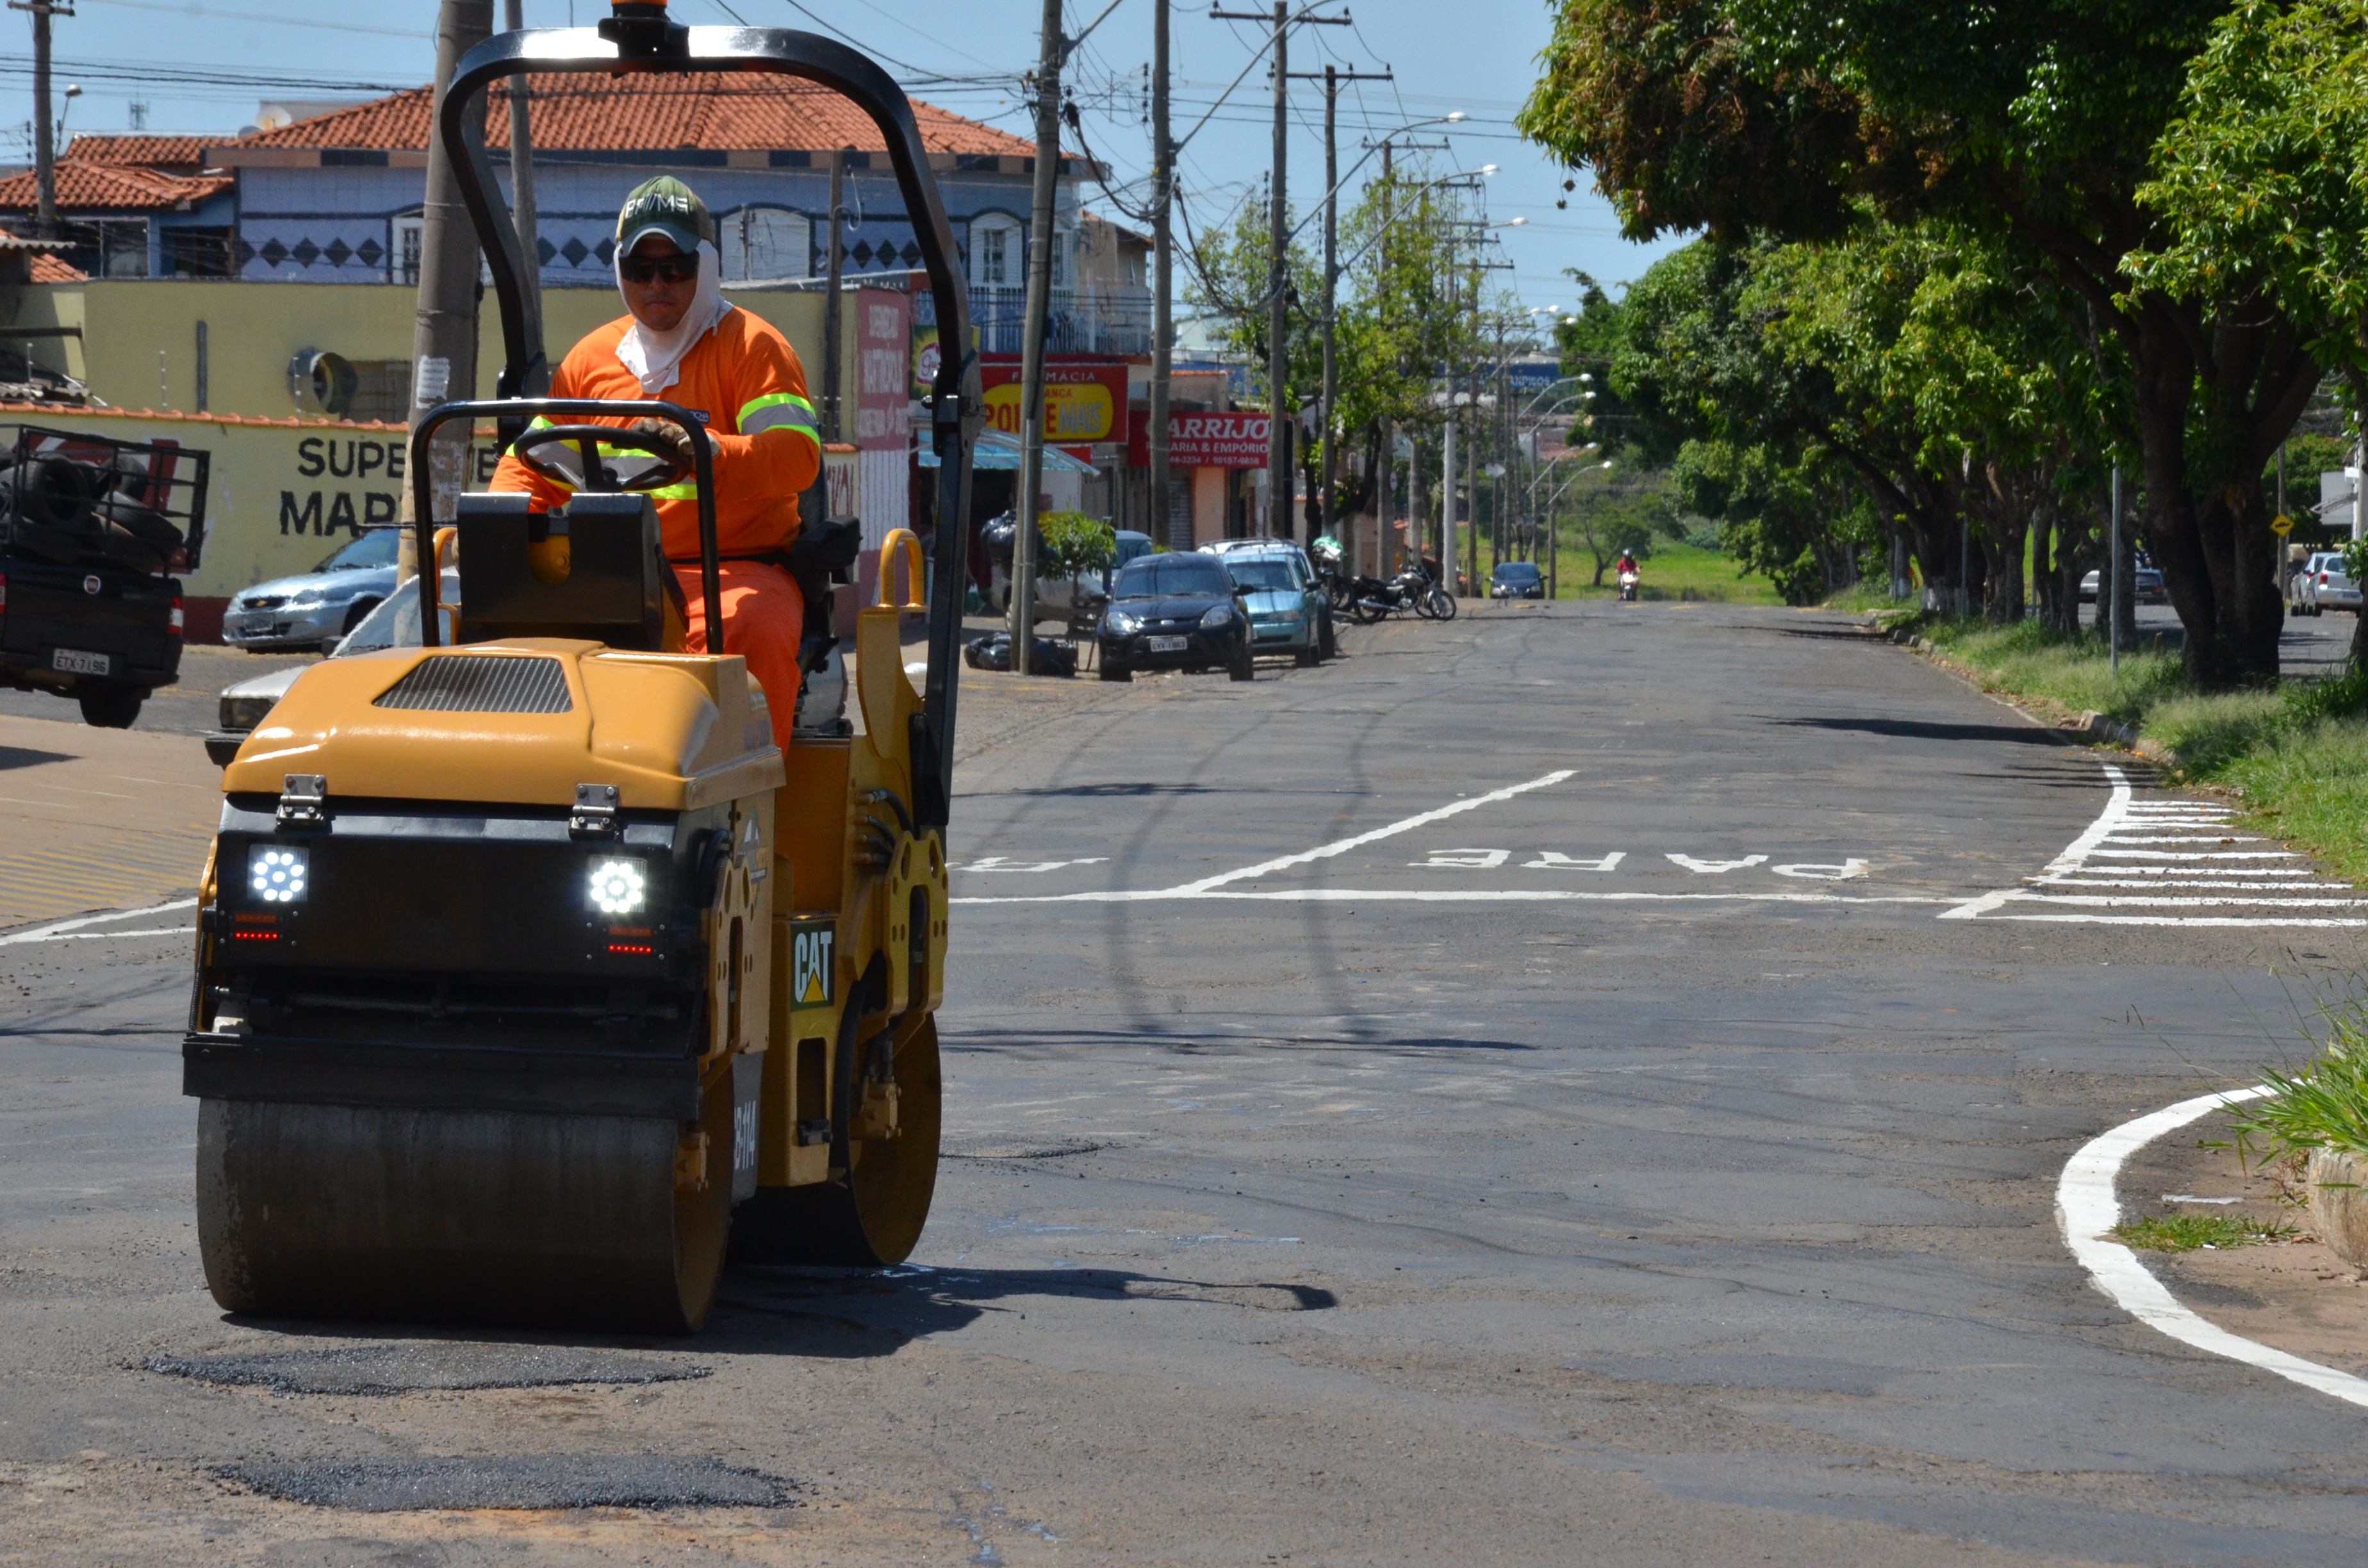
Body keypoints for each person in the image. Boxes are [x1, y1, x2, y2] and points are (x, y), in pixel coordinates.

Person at [491, 176, 821, 746]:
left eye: (675, 268)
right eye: (640, 269)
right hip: (610, 572)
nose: (657, 284)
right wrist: (497, 522)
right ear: (620, 271)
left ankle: (751, 792)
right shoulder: (590, 359)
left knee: (752, 630)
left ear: (706, 266)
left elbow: (798, 457)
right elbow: (533, 460)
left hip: (736, 568)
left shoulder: (752, 347)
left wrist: (708, 451)